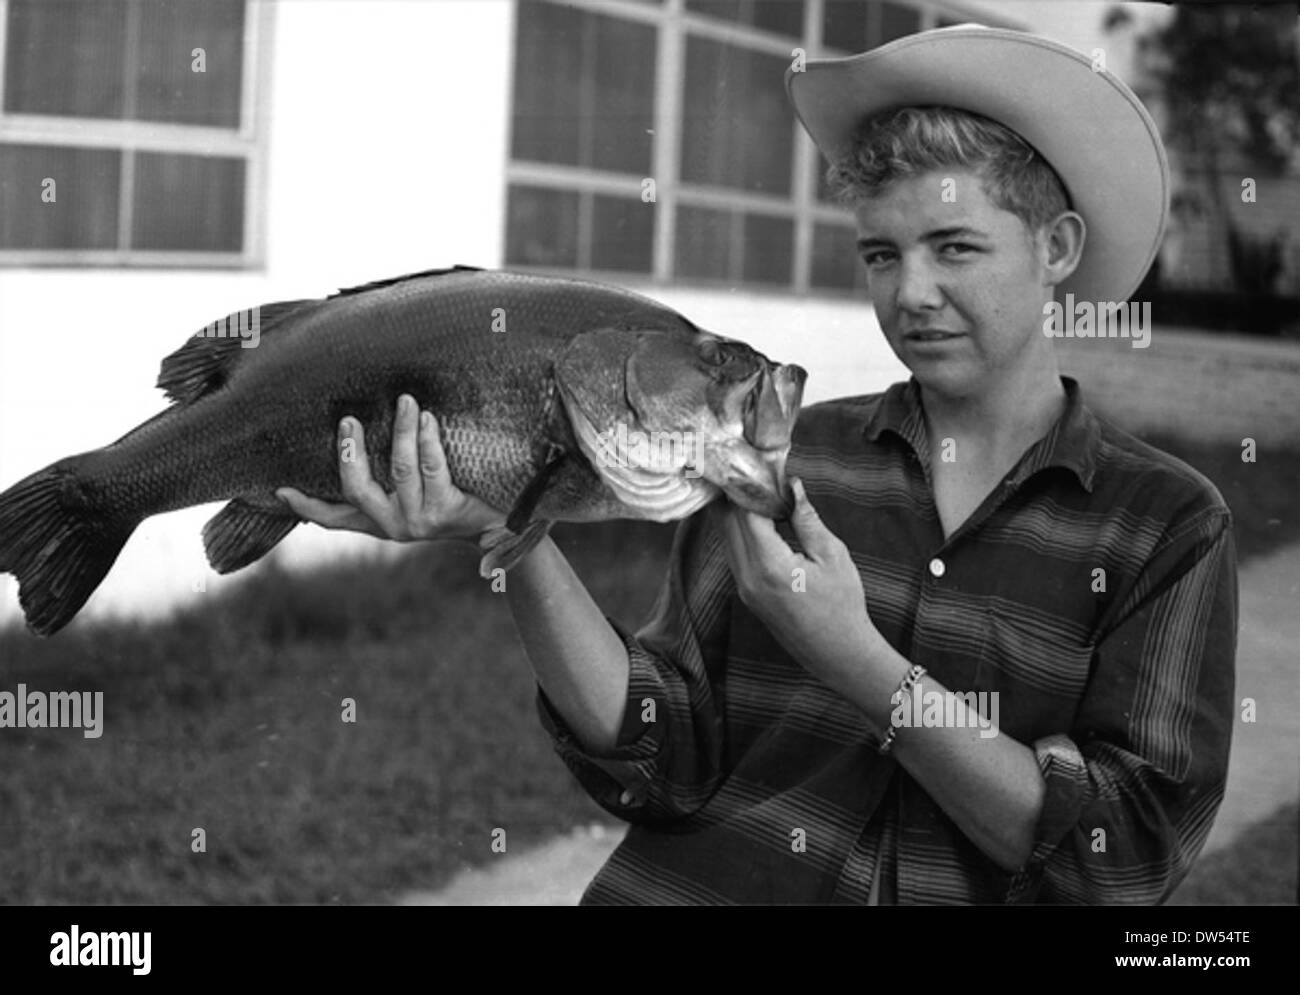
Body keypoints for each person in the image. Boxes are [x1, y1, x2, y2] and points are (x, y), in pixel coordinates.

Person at [277, 27, 1237, 904]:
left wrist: (857, 662)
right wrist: (511, 532)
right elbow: (663, 751)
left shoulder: (1165, 526)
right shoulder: (787, 457)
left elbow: (1119, 860)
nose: (911, 293)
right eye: (879, 254)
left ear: (1057, 248)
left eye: (954, 248)